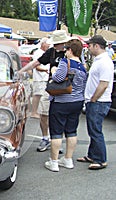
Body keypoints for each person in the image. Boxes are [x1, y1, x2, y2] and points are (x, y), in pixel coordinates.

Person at [19, 30, 70, 153]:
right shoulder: (51, 52)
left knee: (61, 115)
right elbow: (36, 63)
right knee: (44, 113)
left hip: (66, 89)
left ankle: (57, 140)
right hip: (51, 87)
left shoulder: (69, 52)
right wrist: (21, 71)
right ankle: (45, 138)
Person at [44, 39, 87, 172]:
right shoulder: (83, 67)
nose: (65, 52)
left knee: (56, 132)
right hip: (77, 101)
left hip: (61, 102)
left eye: (66, 49)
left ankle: (54, 162)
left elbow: (58, 78)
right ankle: (68, 159)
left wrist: (53, 70)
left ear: (70, 50)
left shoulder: (65, 62)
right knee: (71, 131)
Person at [77, 35, 114, 170]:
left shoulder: (104, 62)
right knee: (92, 129)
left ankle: (100, 159)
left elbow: (103, 84)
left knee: (95, 130)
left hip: (99, 101)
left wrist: (93, 99)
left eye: (90, 45)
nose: (88, 48)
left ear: (96, 46)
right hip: (96, 101)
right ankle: (92, 154)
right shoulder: (99, 60)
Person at [31, 37, 50, 118]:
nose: (48, 45)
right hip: (39, 78)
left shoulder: (45, 53)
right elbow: (36, 66)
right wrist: (45, 70)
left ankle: (38, 111)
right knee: (37, 95)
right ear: (43, 44)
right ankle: (34, 112)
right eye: (47, 44)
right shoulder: (38, 53)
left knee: (41, 95)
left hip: (44, 78)